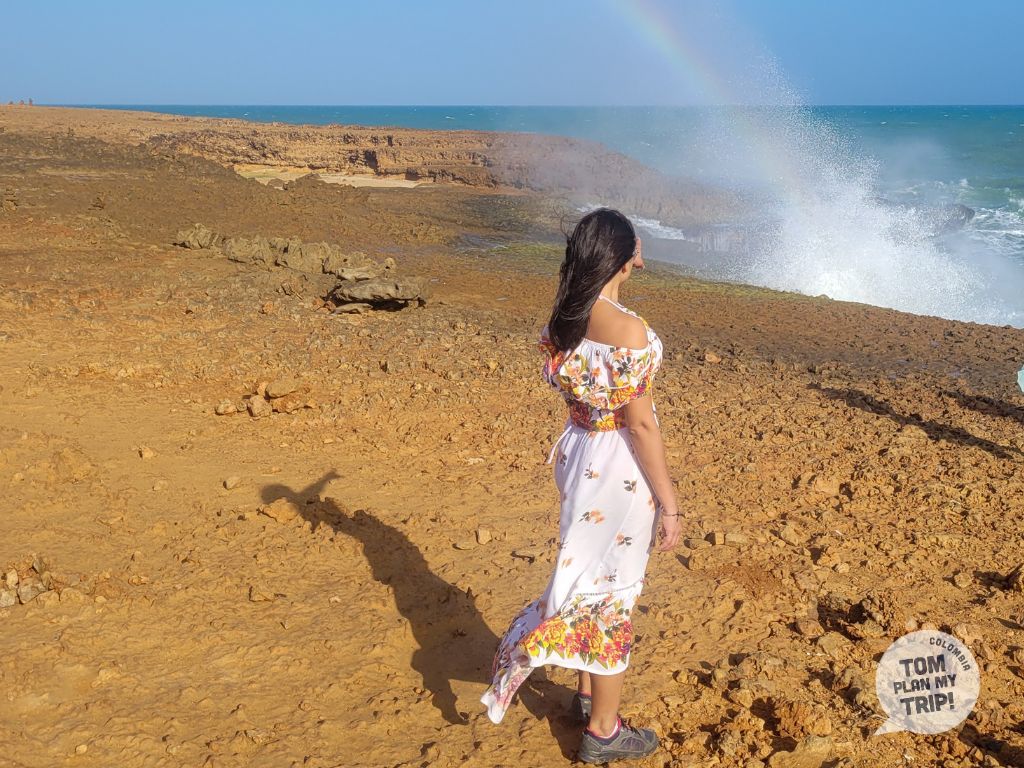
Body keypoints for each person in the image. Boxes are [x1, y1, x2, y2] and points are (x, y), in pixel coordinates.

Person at [480, 208, 681, 763]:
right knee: (612, 592)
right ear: (622, 256)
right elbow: (639, 423)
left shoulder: (564, 317)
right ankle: (604, 731)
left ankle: (585, 695)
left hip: (578, 451)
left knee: (589, 573)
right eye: (635, 244)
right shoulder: (628, 328)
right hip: (617, 463)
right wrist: (669, 503)